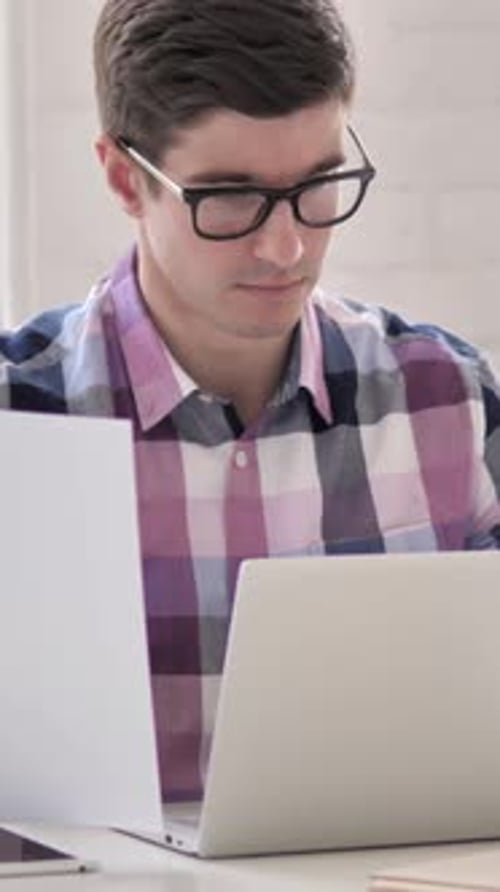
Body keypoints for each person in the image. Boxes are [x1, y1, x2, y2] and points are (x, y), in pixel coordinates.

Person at [1, 0, 500, 803]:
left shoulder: (447, 401)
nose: (286, 248)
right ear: (125, 178)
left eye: (319, 184)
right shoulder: (17, 420)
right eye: (229, 197)